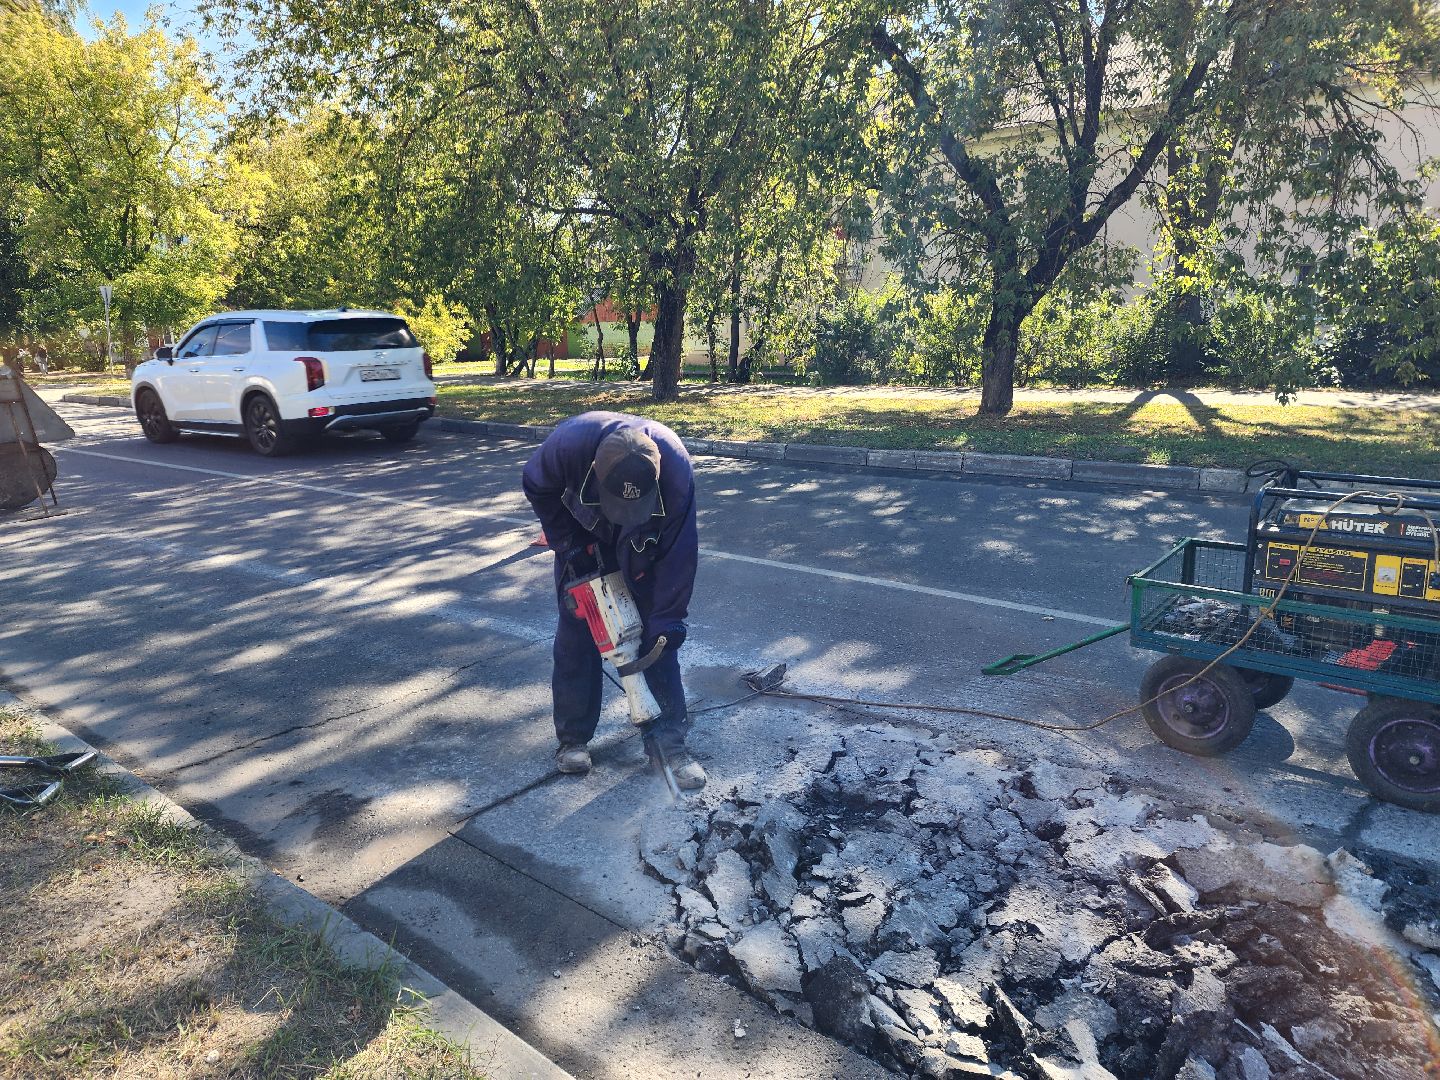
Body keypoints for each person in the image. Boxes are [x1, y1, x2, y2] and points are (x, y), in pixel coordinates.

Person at [522, 411, 705, 790]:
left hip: (642, 550)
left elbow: (679, 553)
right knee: (577, 634)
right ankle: (573, 739)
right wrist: (569, 543)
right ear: (594, 471)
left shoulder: (675, 471)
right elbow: (536, 484)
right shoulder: (569, 446)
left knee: (656, 640)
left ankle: (669, 745)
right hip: (583, 535)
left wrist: (669, 619)